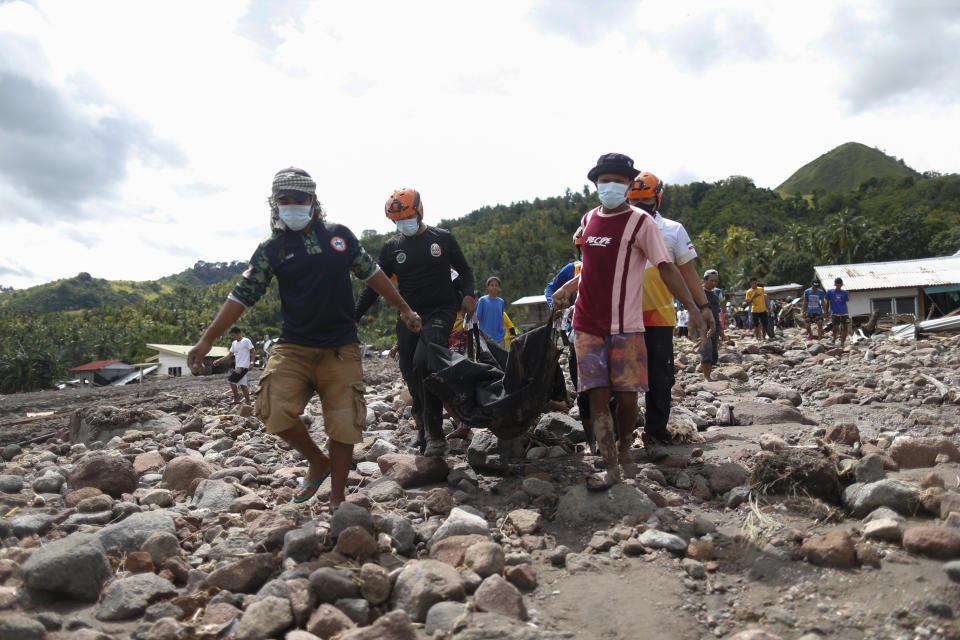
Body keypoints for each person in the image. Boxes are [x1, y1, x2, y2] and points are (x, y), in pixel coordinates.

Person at [187, 167, 422, 507]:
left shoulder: (339, 236)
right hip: (293, 347)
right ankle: (317, 460)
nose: (293, 206)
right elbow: (242, 294)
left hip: (341, 348)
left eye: (300, 199)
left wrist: (404, 308)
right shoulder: (272, 248)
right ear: (275, 204)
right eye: (285, 201)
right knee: (270, 407)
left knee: (344, 425)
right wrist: (208, 338)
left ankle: (337, 500)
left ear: (313, 201)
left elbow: (373, 273)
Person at [551, 153, 704, 491]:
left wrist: (693, 308)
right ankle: (609, 463)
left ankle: (624, 448)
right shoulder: (589, 218)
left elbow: (665, 266)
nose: (610, 186)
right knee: (596, 394)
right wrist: (567, 287)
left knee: (627, 398)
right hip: (587, 324)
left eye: (618, 180)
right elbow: (589, 268)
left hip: (626, 325)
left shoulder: (641, 223)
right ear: (595, 184)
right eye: (604, 180)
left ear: (629, 184)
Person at [355, 188, 476, 457]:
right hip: (408, 314)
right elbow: (375, 285)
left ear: (419, 212)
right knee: (410, 370)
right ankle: (421, 426)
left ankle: (436, 435)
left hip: (440, 311)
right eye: (397, 220)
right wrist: (355, 315)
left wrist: (469, 294)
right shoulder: (392, 247)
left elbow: (465, 270)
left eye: (407, 216)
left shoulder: (441, 239)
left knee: (425, 363)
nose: (403, 223)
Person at [628, 171, 715, 458]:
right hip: (623, 314)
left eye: (646, 200)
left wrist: (703, 308)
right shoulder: (619, 227)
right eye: (635, 201)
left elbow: (688, 273)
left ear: (658, 198)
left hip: (659, 315)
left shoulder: (673, 230)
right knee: (622, 377)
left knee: (661, 376)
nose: (641, 206)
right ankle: (620, 436)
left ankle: (655, 432)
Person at [545, 237, 594, 452]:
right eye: (583, 246)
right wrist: (554, 306)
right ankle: (592, 439)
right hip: (577, 332)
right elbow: (551, 288)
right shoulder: (573, 269)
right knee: (581, 385)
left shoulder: (614, 262)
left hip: (608, 332)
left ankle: (612, 436)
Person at [213, 327, 256, 404]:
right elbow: (229, 355)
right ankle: (248, 401)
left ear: (238, 333)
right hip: (238, 366)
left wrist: (252, 363)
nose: (232, 337)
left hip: (243, 366)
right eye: (231, 336)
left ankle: (236, 398)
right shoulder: (234, 343)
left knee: (231, 380)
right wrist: (219, 360)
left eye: (233, 335)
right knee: (243, 384)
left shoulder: (246, 341)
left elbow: (253, 351)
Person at [700, 270, 725, 380]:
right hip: (703, 327)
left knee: (714, 354)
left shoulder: (715, 294)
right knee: (707, 349)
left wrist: (721, 330)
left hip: (715, 326)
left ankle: (708, 376)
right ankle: (706, 377)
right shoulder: (699, 292)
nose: (714, 283)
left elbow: (718, 311)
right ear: (705, 279)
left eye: (716, 281)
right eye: (711, 281)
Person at [476, 276, 506, 346]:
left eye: (496, 285)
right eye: (492, 285)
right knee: (486, 357)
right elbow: (477, 317)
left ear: (499, 288)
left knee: (499, 356)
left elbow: (501, 317)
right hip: (485, 337)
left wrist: (504, 330)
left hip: (499, 337)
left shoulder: (501, 301)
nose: (494, 287)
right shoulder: (482, 300)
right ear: (487, 287)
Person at [825, 277, 851, 348]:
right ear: (835, 284)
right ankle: (834, 338)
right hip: (834, 312)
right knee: (835, 327)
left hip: (844, 312)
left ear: (842, 284)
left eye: (839, 284)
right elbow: (827, 303)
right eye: (837, 284)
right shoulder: (830, 292)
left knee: (845, 327)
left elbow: (845, 303)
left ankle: (842, 342)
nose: (838, 286)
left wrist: (847, 312)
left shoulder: (844, 293)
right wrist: (826, 312)